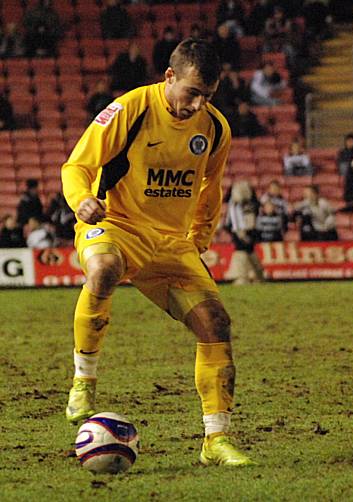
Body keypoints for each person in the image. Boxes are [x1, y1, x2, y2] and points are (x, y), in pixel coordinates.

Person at [60, 38, 254, 466]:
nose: (197, 105)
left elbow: (210, 188)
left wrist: (199, 238)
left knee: (216, 324)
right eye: (191, 93)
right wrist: (81, 201)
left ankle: (215, 441)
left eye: (206, 96)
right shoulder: (130, 108)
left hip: (171, 243)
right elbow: (76, 166)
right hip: (118, 225)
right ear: (169, 77)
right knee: (104, 269)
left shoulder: (215, 128)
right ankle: (83, 381)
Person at [224, 180, 263, 284]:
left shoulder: (245, 204)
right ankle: (253, 275)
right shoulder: (237, 205)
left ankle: (245, 277)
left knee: (245, 251)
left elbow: (235, 220)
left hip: (245, 230)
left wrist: (243, 234)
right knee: (245, 251)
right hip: (242, 230)